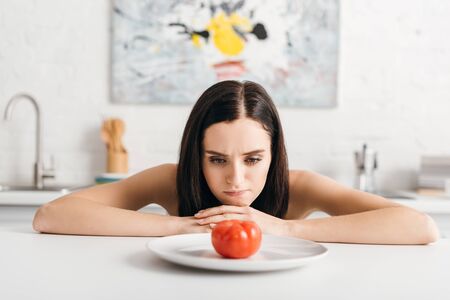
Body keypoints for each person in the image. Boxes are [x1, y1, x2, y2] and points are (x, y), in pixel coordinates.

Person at [32, 80, 439, 244]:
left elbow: (420, 227)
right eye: (216, 159)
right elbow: (51, 215)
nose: (236, 180)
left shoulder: (300, 186)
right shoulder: (170, 182)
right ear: (197, 155)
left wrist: (286, 227)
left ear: (274, 153)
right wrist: (180, 225)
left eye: (253, 159)